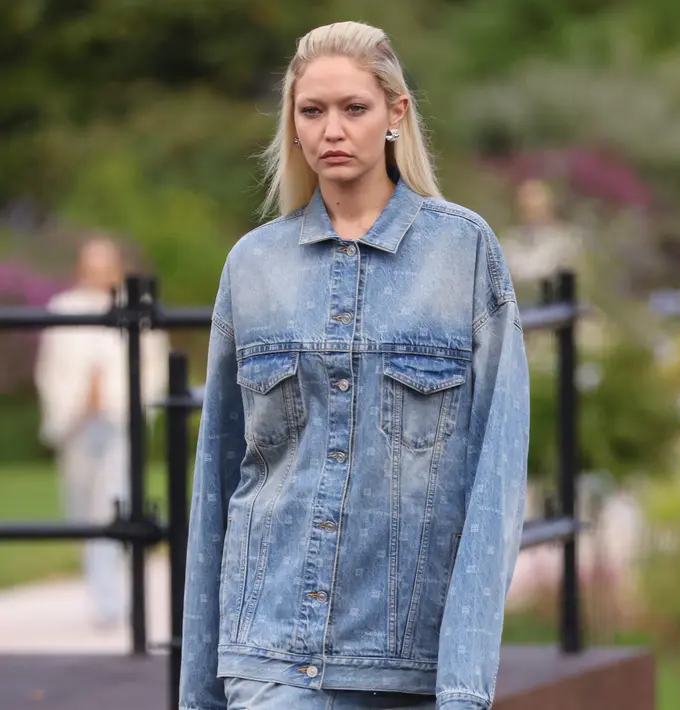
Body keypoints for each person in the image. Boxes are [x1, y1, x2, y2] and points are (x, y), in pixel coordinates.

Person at [178, 21, 530, 710]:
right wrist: (200, 691)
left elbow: (495, 482)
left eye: (353, 109)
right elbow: (218, 478)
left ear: (395, 113)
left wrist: (462, 683)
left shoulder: (462, 255)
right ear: (294, 123)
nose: (331, 130)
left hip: (407, 659)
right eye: (312, 111)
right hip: (270, 653)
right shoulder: (253, 265)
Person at [33, 235, 169, 628]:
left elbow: (153, 370)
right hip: (75, 422)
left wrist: (124, 405)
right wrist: (68, 409)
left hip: (117, 419)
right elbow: (50, 369)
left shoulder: (136, 308)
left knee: (113, 503)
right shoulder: (63, 308)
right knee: (80, 506)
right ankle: (101, 591)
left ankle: (113, 598)